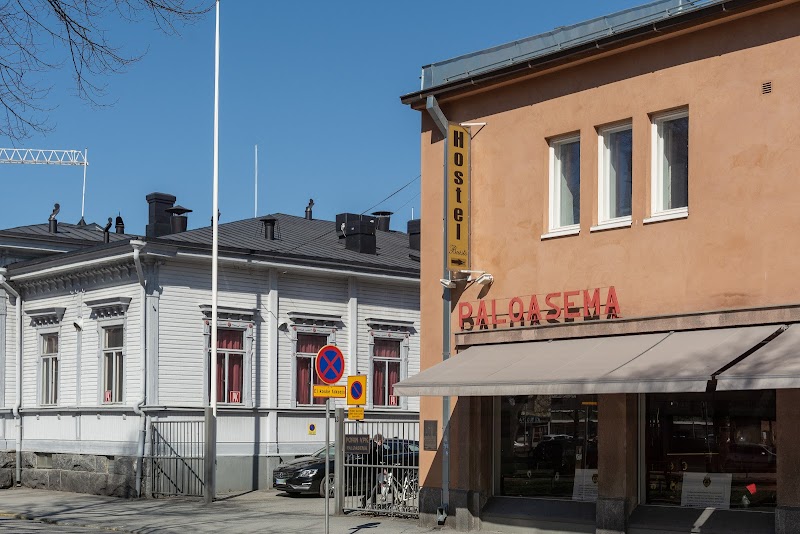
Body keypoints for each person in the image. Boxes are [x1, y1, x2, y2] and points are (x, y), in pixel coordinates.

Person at [361, 433, 387, 508]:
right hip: (374, 469)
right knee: (374, 487)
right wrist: (383, 468)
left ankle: (373, 504)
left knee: (373, 487)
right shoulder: (375, 448)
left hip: (369, 469)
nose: (381, 443)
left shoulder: (369, 445)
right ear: (379, 441)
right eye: (381, 441)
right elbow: (378, 459)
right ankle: (368, 501)